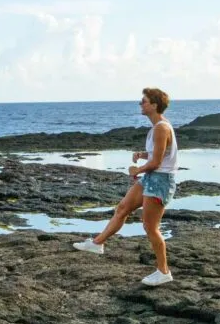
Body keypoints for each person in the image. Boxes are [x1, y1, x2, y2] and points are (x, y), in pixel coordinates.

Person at [73, 87, 177, 287]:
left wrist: (136, 171)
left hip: (160, 181)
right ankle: (97, 244)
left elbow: (157, 163)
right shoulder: (156, 128)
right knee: (122, 208)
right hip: (151, 177)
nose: (141, 104)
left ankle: (164, 272)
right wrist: (142, 155)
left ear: (154, 105)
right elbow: (160, 154)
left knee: (150, 227)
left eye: (144, 101)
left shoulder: (162, 128)